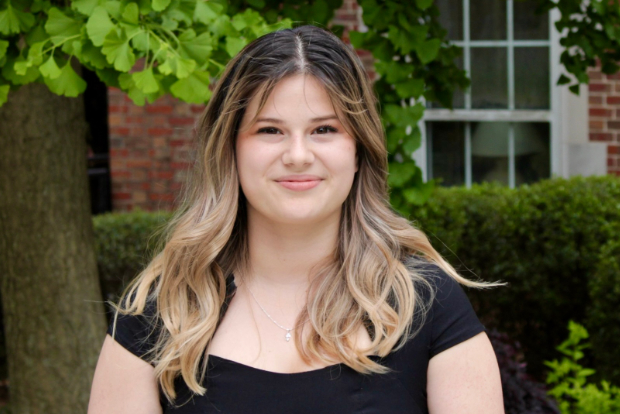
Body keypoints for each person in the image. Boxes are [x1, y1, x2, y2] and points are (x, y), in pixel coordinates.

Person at [88, 25, 504, 414]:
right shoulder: (162, 312)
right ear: (230, 149)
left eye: (324, 129)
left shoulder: (428, 306)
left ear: (358, 150)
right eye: (270, 130)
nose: (298, 154)